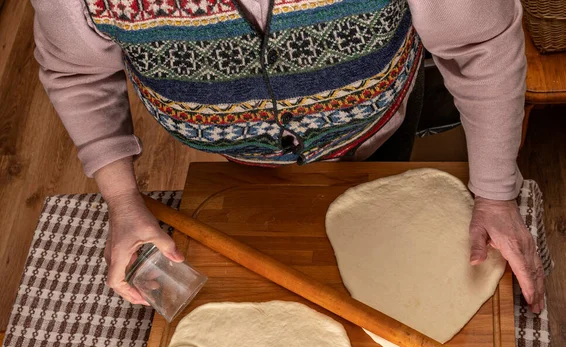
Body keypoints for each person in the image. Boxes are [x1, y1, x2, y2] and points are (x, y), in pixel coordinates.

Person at [31, 0, 544, 313]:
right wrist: (122, 199)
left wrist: (496, 193)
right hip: (239, 168)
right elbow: (78, 73)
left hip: (375, 133)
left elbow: (480, 44)